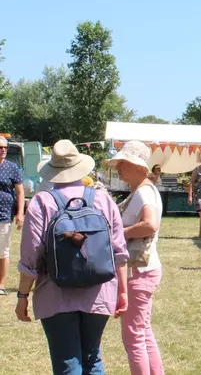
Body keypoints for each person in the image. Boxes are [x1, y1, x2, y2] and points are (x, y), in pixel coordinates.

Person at [15, 140, 128, 374]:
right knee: (92, 359)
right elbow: (119, 251)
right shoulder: (103, 200)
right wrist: (123, 291)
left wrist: (23, 296)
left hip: (55, 292)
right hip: (100, 291)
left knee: (68, 363)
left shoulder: (41, 202)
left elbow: (31, 256)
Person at [109, 141, 165, 375]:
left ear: (140, 167)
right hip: (145, 269)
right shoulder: (142, 190)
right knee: (142, 332)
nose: (119, 167)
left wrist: (117, 234)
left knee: (134, 337)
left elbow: (150, 224)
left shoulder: (142, 192)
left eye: (124, 163)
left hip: (138, 271)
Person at [0, 136, 25, 296]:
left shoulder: (12, 167)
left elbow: (20, 191)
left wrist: (20, 212)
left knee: (2, 251)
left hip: (4, 215)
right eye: (0, 147)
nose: (3, 150)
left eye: (5, 148)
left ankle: (0, 284)